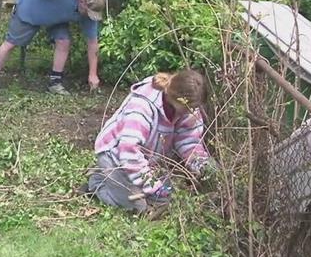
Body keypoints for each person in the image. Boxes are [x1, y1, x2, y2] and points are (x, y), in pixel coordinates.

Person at [84, 69, 218, 213]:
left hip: (146, 161)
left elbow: (189, 141)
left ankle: (126, 185)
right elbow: (129, 152)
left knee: (169, 198)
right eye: (189, 109)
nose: (192, 112)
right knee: (138, 207)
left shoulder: (188, 107)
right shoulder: (142, 106)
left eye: (194, 109)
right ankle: (98, 182)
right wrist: (153, 187)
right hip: (115, 158)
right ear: (177, 99)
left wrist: (203, 165)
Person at [0, 0, 106, 95]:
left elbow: (92, 43)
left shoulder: (89, 14)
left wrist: (93, 74)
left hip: (56, 18)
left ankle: (55, 83)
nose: (89, 16)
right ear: (82, 1)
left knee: (64, 41)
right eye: (88, 12)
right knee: (11, 44)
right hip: (30, 7)